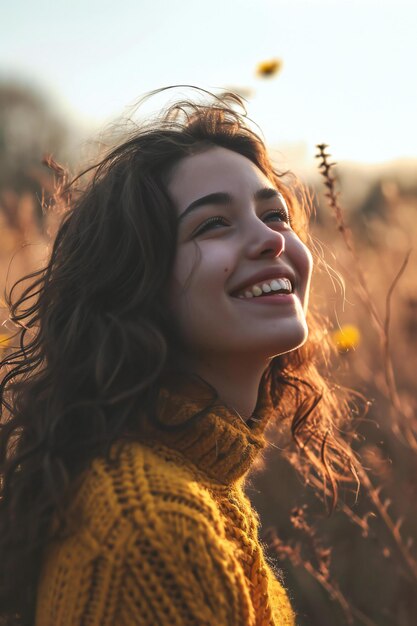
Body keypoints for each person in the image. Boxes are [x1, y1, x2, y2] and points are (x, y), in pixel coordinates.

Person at [0, 86, 359, 626]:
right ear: (134, 284)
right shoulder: (150, 530)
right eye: (213, 223)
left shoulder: (191, 479)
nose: (271, 241)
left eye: (276, 215)